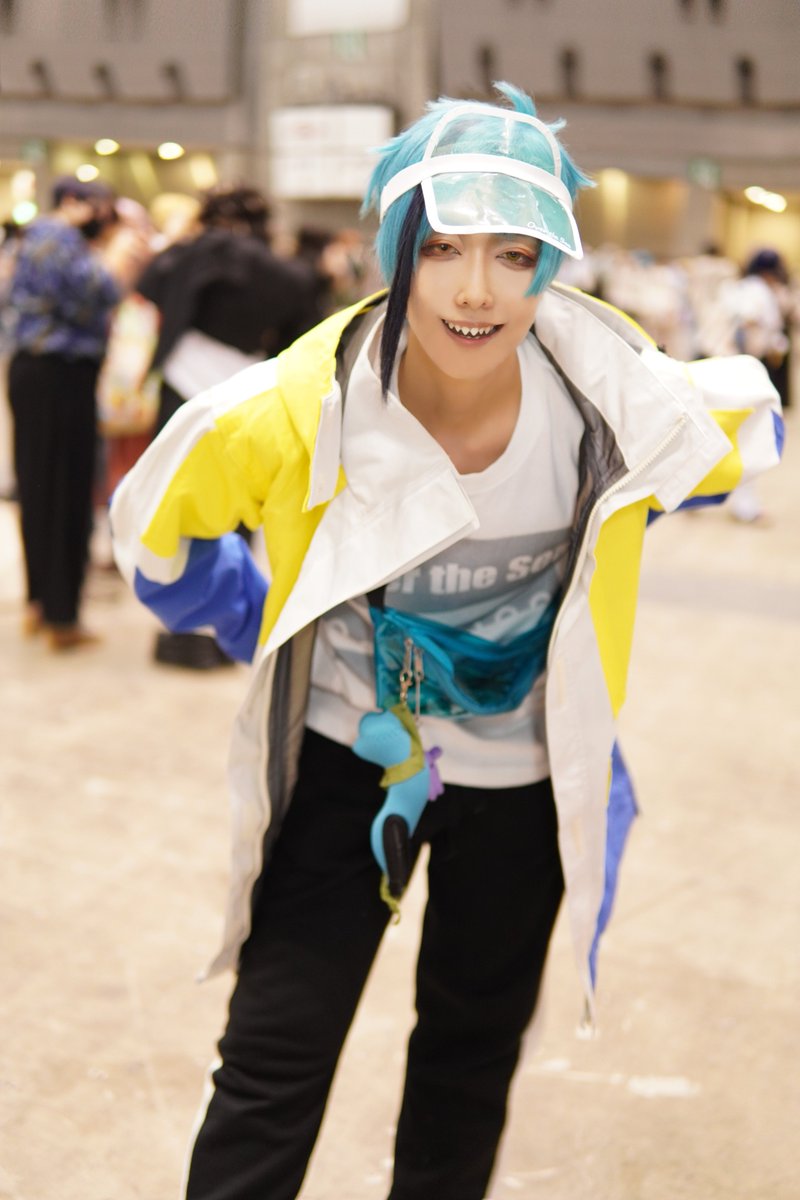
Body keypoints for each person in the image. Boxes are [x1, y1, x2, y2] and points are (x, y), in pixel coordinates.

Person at [110, 83, 783, 1200]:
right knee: (275, 1053)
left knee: (467, 1066)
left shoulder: (616, 402)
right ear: (396, 254)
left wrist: (633, 515)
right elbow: (154, 536)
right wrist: (250, 610)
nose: (477, 291)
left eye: (514, 255)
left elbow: (742, 423)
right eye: (442, 250)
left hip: (523, 785)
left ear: (549, 265)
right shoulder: (294, 411)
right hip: (350, 764)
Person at [132, 183, 323, 668]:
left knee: (172, 506)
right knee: (239, 514)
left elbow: (148, 285)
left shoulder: (190, 254)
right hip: (248, 395)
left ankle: (178, 627)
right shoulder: (284, 272)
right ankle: (227, 629)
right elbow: (302, 333)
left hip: (182, 388)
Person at [7, 176, 148, 649]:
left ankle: (42, 604)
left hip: (42, 374)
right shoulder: (57, 237)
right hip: (60, 377)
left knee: (40, 489)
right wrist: (121, 254)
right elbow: (99, 291)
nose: (104, 218)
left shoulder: (37, 238)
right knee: (64, 493)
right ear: (74, 203)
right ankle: (61, 616)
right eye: (100, 207)